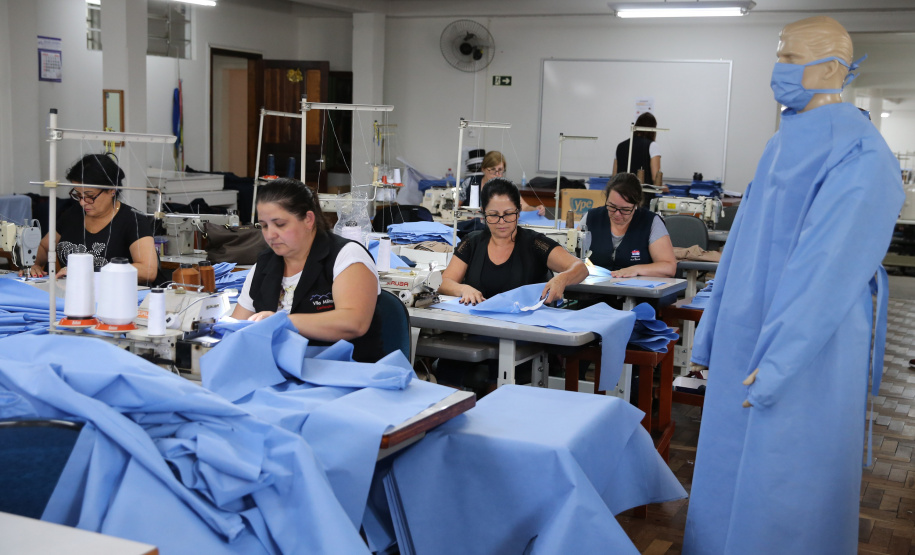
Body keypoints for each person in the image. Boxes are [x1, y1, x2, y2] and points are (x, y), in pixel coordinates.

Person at [683, 17, 903, 555]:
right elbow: (739, 249)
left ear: (830, 68)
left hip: (808, 348)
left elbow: (828, 268)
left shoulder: (863, 154)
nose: (776, 71)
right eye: (778, 57)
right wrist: (712, 332)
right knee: (725, 476)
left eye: (787, 59)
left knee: (786, 486)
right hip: (744, 335)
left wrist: (779, 358)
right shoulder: (780, 144)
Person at [231, 178, 385, 363]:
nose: (270, 234)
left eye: (280, 224)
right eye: (264, 226)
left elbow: (354, 323)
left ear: (308, 220)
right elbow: (237, 329)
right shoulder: (264, 266)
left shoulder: (347, 257)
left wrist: (284, 321)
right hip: (281, 371)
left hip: (343, 371)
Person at [440, 177, 588, 306]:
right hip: (478, 326)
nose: (501, 221)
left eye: (508, 214)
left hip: (526, 330)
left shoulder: (535, 243)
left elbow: (580, 268)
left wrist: (562, 279)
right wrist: (463, 289)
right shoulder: (472, 242)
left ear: (519, 210)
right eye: (493, 215)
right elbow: (445, 282)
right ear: (483, 212)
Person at [24, 153, 163, 286]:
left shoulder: (134, 221)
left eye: (90, 196)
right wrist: (33, 264)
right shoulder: (73, 215)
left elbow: (148, 271)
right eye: (78, 195)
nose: (82, 202)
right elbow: (44, 247)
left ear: (111, 190)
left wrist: (88, 271)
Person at [580, 173, 676, 278]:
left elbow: (669, 267)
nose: (617, 213)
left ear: (636, 205)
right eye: (612, 206)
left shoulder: (651, 222)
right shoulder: (591, 218)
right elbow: (571, 256)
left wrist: (636, 269)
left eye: (625, 209)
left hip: (637, 291)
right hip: (595, 289)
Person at [461, 151, 545, 215]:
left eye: (500, 170)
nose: (497, 174)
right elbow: (456, 208)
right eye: (493, 169)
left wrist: (536, 209)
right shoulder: (469, 183)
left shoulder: (508, 186)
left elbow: (524, 207)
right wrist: (468, 214)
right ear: (483, 169)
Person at [613, 112, 662, 186]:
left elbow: (614, 176)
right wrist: (664, 187)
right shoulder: (652, 145)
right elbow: (655, 178)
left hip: (622, 193)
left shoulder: (620, 146)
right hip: (643, 195)